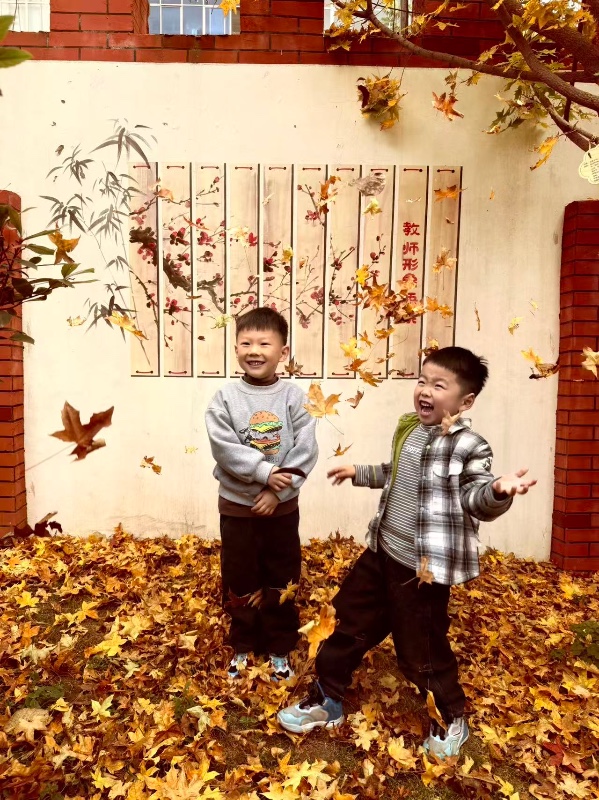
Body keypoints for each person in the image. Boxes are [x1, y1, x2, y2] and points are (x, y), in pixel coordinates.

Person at [277, 346, 536, 758]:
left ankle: (450, 716)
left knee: (421, 649)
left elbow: (475, 496)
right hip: (382, 551)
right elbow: (396, 472)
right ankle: (327, 698)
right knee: (343, 622)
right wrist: (359, 472)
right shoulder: (410, 429)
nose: (425, 390)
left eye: (439, 385)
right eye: (422, 380)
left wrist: (499, 491)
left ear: (465, 401)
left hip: (422, 570)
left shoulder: (468, 445)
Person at [205, 307, 318, 682]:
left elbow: (306, 449)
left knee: (281, 575)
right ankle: (243, 641)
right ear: (236, 349)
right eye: (246, 343)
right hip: (237, 508)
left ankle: (279, 645)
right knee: (240, 575)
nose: (254, 350)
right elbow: (224, 448)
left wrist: (277, 492)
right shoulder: (225, 398)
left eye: (264, 343)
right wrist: (265, 473)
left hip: (281, 511)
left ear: (282, 352)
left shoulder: (294, 398)